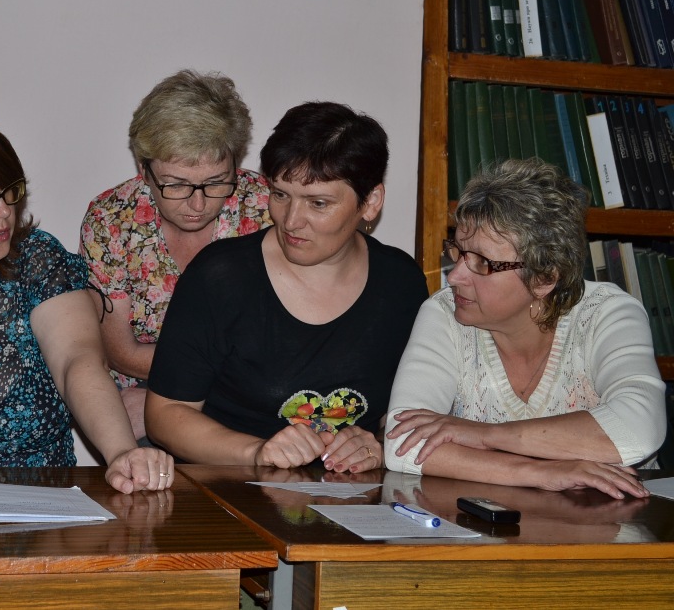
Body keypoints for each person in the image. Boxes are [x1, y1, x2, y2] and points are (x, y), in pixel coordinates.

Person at [0, 106, 173, 494]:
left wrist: (122, 452)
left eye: (9, 192)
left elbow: (78, 362)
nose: (4, 212)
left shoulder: (36, 259)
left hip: (45, 501)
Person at [144, 101, 428, 470]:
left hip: (354, 495)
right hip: (233, 487)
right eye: (280, 195)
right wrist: (256, 452)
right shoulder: (219, 277)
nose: (291, 221)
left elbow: (412, 412)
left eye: (318, 203)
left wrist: (378, 444)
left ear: (371, 202)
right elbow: (166, 414)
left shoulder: (401, 283)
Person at [384, 159, 666, 500]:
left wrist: (483, 436)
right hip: (490, 523)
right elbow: (402, 444)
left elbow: (638, 429)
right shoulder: (444, 313)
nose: (455, 276)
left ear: (544, 278)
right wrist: (540, 472)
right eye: (458, 251)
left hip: (612, 519)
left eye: (482, 262)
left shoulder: (607, 313)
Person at [80, 69, 271, 441]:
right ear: (144, 171)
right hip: (149, 387)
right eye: (176, 185)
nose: (197, 205)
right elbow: (122, 353)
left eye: (216, 182)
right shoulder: (110, 220)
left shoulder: (265, 208)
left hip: (246, 397)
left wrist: (199, 398)